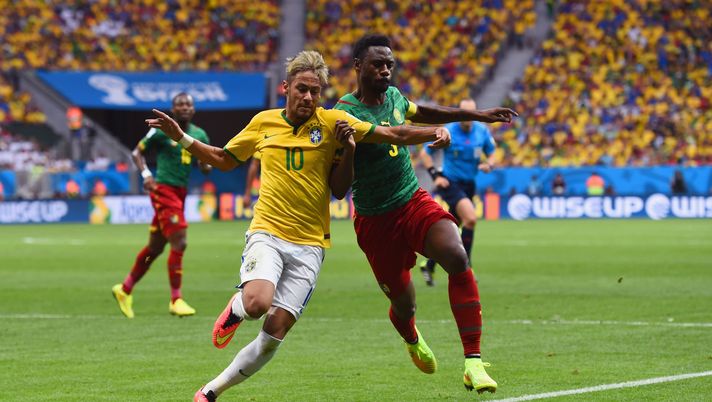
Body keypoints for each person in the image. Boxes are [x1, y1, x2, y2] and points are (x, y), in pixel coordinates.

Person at [141, 51, 450, 402]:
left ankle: (210, 391)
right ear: (286, 88)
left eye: (315, 92)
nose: (308, 97)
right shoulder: (264, 123)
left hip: (310, 246)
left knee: (274, 334)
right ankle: (238, 308)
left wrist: (431, 132)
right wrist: (182, 137)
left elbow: (391, 134)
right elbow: (225, 160)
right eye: (302, 89)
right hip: (268, 233)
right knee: (258, 304)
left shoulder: (334, 122)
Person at [334, 34, 517, 393]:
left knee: (456, 255)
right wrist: (432, 132)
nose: (385, 69)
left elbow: (424, 111)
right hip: (375, 221)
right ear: (358, 67)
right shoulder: (344, 113)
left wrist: (476, 115)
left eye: (389, 63)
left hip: (412, 199)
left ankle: (473, 363)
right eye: (377, 63)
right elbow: (396, 134)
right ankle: (412, 336)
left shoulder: (395, 97)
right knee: (404, 304)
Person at [111, 93, 211, 319]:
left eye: (188, 104)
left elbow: (205, 164)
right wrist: (146, 174)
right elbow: (137, 152)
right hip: (163, 190)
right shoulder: (160, 131)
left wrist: (206, 165)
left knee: (155, 248)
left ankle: (124, 289)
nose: (184, 107)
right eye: (180, 104)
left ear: (193, 110)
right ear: (173, 110)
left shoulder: (199, 134)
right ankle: (176, 299)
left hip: (181, 193)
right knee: (180, 241)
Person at [418, 98, 497, 287]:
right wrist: (435, 175)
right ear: (458, 113)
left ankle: (428, 265)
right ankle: (466, 268)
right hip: (451, 183)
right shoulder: (449, 131)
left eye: (470, 113)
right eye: (463, 113)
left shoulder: (482, 132)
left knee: (451, 231)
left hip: (469, 185)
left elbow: (492, 152)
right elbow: (424, 154)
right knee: (470, 219)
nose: (467, 117)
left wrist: (490, 164)